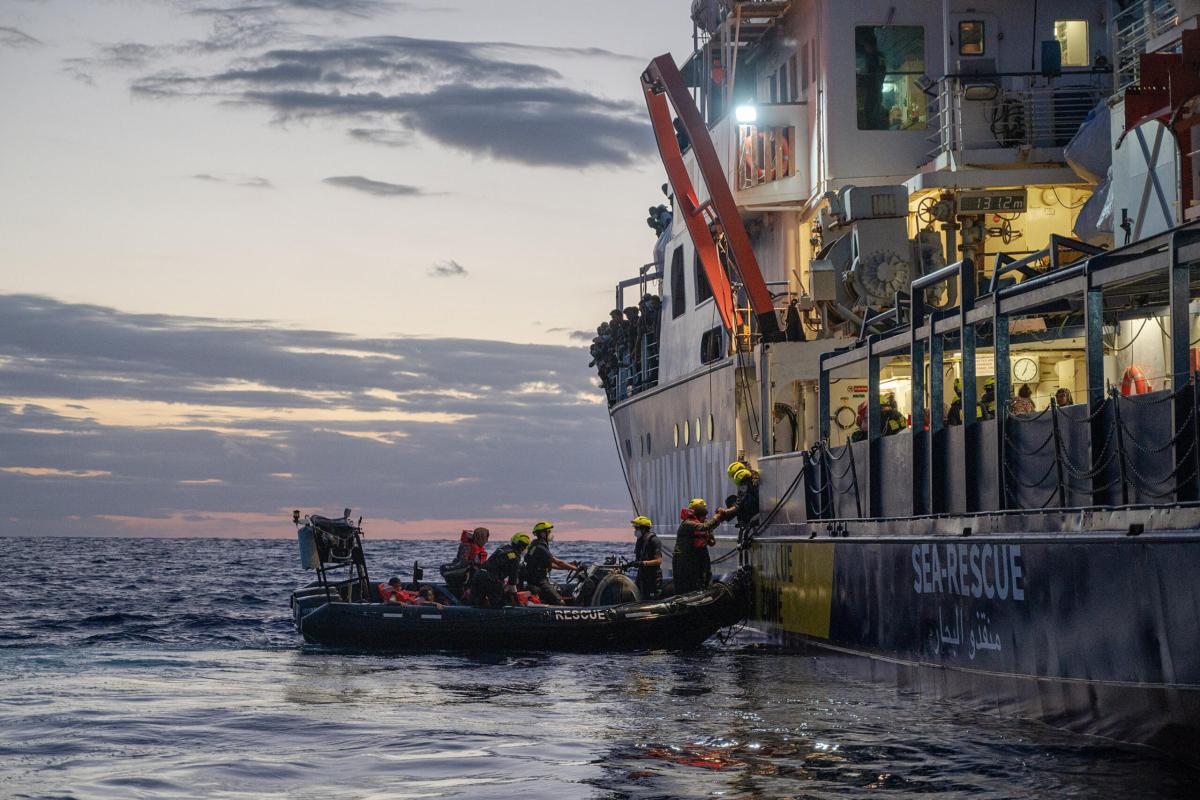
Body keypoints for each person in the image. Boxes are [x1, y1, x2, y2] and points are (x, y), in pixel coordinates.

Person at [672, 499, 725, 594]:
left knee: (704, 579)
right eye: (702, 506)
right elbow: (703, 527)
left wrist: (710, 532)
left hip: (698, 555)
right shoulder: (687, 523)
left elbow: (711, 541)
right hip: (684, 559)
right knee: (686, 586)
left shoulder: (702, 522)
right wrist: (717, 516)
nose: (704, 508)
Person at [469, 532, 531, 608]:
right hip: (490, 580)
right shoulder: (515, 558)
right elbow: (512, 583)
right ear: (523, 546)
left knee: (477, 604)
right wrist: (517, 602)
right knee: (499, 605)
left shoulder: (502, 549)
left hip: (478, 575)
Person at [521, 521, 576, 606]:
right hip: (540, 582)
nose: (551, 534)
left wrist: (569, 567)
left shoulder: (534, 545)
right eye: (549, 532)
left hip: (534, 580)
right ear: (543, 534)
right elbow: (558, 562)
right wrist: (576, 569)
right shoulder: (540, 547)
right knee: (560, 603)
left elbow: (551, 565)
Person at [441, 526, 489, 595]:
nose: (487, 541)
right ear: (480, 537)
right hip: (467, 574)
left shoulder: (477, 548)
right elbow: (464, 563)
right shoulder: (468, 547)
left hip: (472, 574)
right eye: (485, 538)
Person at [626, 516, 662, 600]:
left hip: (652, 578)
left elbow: (658, 561)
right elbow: (639, 558)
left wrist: (643, 563)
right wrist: (631, 564)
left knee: (651, 601)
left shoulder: (654, 541)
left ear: (644, 529)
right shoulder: (640, 541)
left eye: (637, 528)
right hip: (641, 576)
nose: (635, 530)